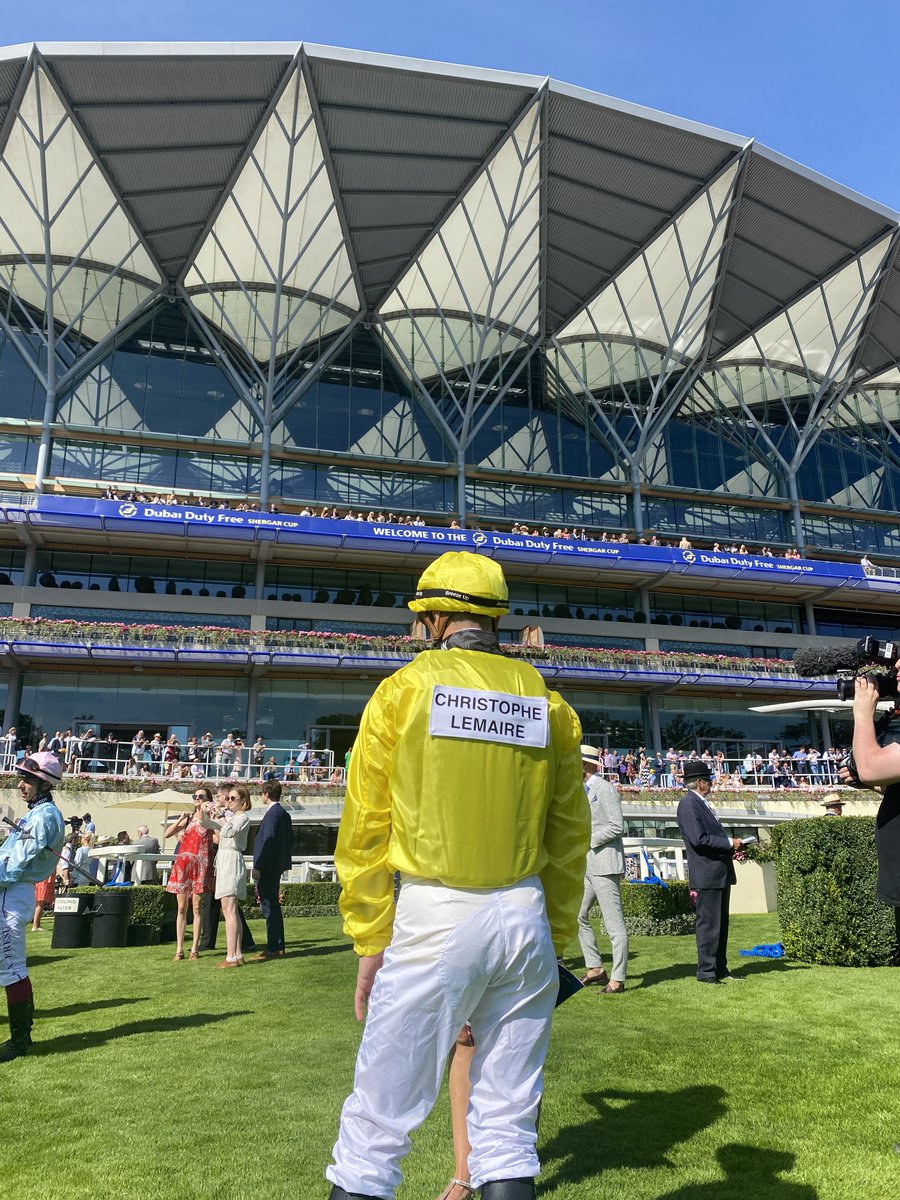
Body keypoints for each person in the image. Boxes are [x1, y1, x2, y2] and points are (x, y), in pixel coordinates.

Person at [326, 551, 589, 1200]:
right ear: (494, 619)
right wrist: (554, 939)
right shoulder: (550, 707)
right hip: (524, 919)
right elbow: (567, 839)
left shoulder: (403, 691)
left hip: (434, 916)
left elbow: (364, 828)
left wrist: (368, 937)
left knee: (375, 1134)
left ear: (437, 618)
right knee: (507, 1134)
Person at [0, 751, 65, 1060]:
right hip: (8, 891)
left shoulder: (44, 816)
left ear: (44, 784)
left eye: (27, 779)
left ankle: (19, 1042)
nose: (20, 784)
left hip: (12, 894)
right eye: (21, 778)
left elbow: (14, 865)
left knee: (12, 969)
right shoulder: (34, 813)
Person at [676, 760, 744, 984]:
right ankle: (706, 972)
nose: (711, 785)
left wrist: (731, 847)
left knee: (720, 924)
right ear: (698, 783)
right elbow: (699, 839)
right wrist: (728, 843)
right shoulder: (689, 804)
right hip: (707, 874)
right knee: (709, 924)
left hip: (717, 872)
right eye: (707, 781)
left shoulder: (701, 804)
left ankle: (719, 968)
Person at [578, 746, 628, 994]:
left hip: (605, 864)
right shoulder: (583, 790)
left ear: (585, 765)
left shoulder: (605, 789)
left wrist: (589, 839)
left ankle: (618, 979)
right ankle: (595, 968)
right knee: (578, 915)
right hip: (589, 864)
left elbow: (617, 826)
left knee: (613, 925)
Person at [201, 784, 251, 968]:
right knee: (232, 911)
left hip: (231, 859)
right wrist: (207, 812)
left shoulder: (242, 818)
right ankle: (237, 954)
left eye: (232, 798)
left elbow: (229, 831)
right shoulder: (231, 817)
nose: (228, 801)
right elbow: (208, 825)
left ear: (243, 802)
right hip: (225, 859)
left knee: (229, 910)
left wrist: (221, 816)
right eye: (228, 798)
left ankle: (231, 956)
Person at [164, 788, 215, 961]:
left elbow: (216, 836)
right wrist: (181, 819)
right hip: (183, 864)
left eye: (201, 796)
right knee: (181, 907)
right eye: (195, 796)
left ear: (208, 799)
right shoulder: (188, 819)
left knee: (197, 907)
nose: (197, 799)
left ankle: (194, 948)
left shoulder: (209, 818)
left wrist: (209, 812)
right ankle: (179, 948)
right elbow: (167, 834)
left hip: (200, 864)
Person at [251, 778, 292, 961]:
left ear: (266, 794)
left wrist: (258, 866)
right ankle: (278, 945)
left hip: (268, 867)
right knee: (273, 906)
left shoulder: (273, 814)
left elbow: (267, 841)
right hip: (276, 866)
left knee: (269, 907)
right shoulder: (283, 813)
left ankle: (273, 946)